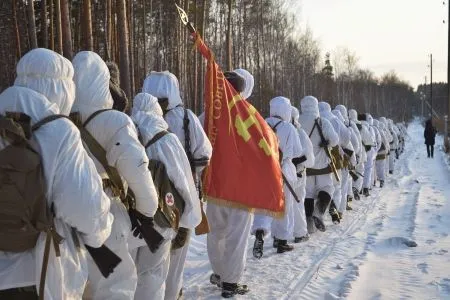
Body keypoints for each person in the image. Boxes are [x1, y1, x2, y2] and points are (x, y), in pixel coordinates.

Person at [0, 48, 113, 299]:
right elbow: (88, 212)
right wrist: (102, 232)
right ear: (62, 88)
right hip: (41, 275)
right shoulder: (60, 132)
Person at [72, 51, 159, 299]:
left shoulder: (59, 121)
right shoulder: (114, 120)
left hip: (69, 217)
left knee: (82, 288)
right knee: (115, 286)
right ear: (104, 83)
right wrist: (146, 210)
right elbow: (136, 165)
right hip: (106, 214)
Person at [142, 71, 212, 300]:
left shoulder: (137, 117)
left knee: (149, 259)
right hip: (182, 197)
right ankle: (172, 294)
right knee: (177, 256)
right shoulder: (186, 118)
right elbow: (204, 153)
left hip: (146, 198)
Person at [131, 93, 202, 300]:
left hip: (131, 218)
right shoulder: (166, 139)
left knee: (129, 272)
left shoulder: (125, 133)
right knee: (152, 273)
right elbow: (182, 181)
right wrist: (189, 218)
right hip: (160, 218)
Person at [252, 96, 302, 256]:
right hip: (284, 171)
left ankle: (260, 231)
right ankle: (281, 241)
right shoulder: (289, 128)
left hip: (264, 171)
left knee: (264, 204)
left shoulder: (260, 123)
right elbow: (298, 151)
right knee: (283, 207)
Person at [298, 96, 338, 233]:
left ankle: (309, 225)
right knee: (327, 189)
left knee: (308, 194)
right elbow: (334, 140)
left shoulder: (297, 121)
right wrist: (327, 143)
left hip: (305, 165)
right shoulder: (323, 122)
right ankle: (319, 213)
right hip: (322, 165)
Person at [318, 102, 348, 223]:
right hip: (335, 154)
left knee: (321, 187)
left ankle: (323, 212)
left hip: (318, 157)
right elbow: (346, 137)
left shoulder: (316, 119)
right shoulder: (336, 120)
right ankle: (336, 209)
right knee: (337, 186)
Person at [291, 106, 315, 243]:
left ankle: (278, 237)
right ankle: (300, 233)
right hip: (298, 174)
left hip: (277, 174)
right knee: (298, 203)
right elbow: (310, 160)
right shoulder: (300, 133)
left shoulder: (274, 128)